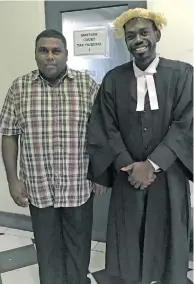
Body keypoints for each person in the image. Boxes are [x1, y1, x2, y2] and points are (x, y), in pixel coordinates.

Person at [87, 8, 193, 284]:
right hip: (128, 175)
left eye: (144, 32)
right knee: (128, 235)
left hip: (169, 174)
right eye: (130, 35)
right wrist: (128, 164)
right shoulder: (113, 79)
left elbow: (187, 123)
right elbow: (104, 126)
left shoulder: (183, 74)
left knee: (169, 234)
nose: (138, 39)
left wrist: (152, 164)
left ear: (157, 34)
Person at [0, 29, 99, 284]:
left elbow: (103, 134)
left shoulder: (87, 86)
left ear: (66, 54)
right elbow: (9, 135)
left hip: (78, 186)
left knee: (78, 248)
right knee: (47, 248)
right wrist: (13, 180)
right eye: (43, 50)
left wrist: (101, 173)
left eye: (56, 50)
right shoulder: (19, 88)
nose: (50, 56)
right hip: (38, 187)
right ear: (35, 55)